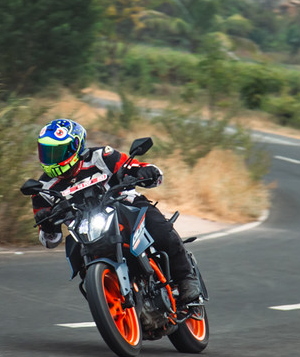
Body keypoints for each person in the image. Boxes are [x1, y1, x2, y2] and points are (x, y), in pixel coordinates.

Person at [30, 118, 202, 304]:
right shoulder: (43, 188)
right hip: (85, 229)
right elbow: (50, 242)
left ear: (75, 147)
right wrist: (47, 225)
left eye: (57, 151)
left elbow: (139, 168)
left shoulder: (102, 156)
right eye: (46, 151)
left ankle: (186, 278)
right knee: (78, 259)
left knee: (159, 229)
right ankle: (108, 300)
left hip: (125, 206)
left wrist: (144, 173)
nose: (51, 157)